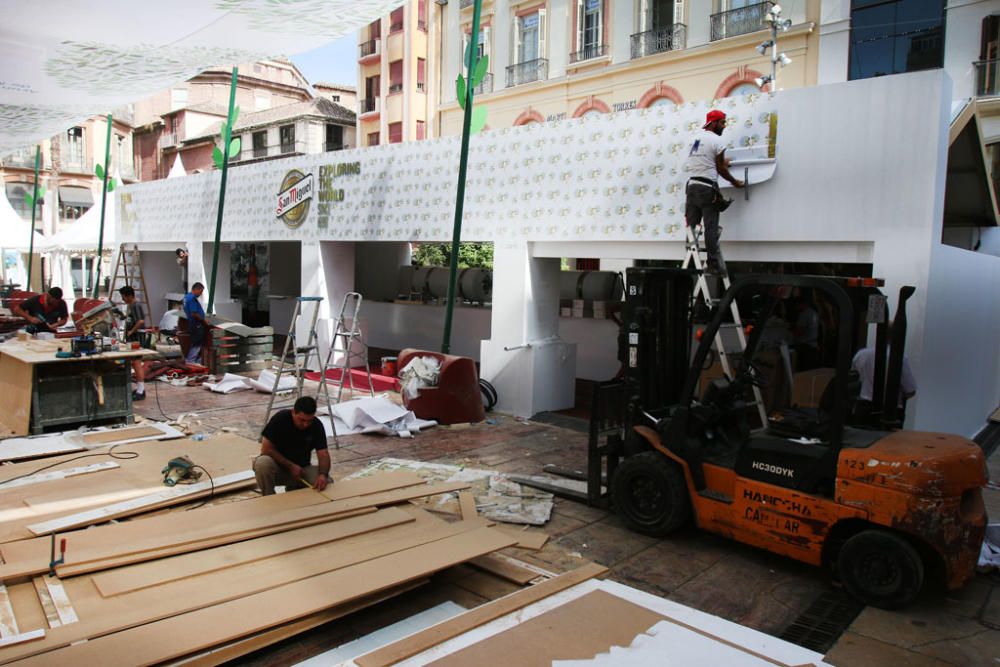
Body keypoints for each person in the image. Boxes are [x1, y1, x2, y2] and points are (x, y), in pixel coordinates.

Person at [685, 109, 745, 274]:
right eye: (722, 122)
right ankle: (712, 265)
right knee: (710, 227)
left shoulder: (696, 140)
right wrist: (735, 181)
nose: (724, 126)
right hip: (707, 189)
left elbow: (702, 158)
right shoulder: (717, 140)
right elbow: (719, 168)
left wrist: (721, 162)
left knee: (692, 228)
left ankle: (690, 264)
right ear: (713, 122)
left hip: (692, 187)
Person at [254, 396, 331, 495]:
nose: (306, 424)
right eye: (302, 420)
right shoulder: (280, 419)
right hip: (278, 468)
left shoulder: (316, 425)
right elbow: (266, 449)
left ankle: (294, 489)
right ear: (293, 412)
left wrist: (323, 475)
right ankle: (268, 497)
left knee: (327, 482)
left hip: (302, 470)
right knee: (262, 463)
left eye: (309, 420)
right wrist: (290, 466)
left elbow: (323, 454)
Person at [851, 337, 917, 424]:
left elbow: (853, 379)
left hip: (864, 407)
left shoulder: (861, 354)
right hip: (890, 410)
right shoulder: (900, 358)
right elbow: (910, 390)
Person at [118, 286, 147, 401]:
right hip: (132, 337)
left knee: (137, 362)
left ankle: (141, 390)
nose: (123, 299)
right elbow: (131, 319)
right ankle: (139, 388)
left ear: (129, 296)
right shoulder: (130, 306)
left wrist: (131, 331)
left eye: (124, 297)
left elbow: (140, 321)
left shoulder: (136, 305)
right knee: (133, 362)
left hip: (137, 337)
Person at [792, 298, 821, 371]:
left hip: (805, 346)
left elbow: (800, 331)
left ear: (801, 304)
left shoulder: (804, 315)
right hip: (814, 345)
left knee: (803, 370)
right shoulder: (814, 313)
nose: (796, 307)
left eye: (797, 305)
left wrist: (791, 332)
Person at [183, 282, 206, 364]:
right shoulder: (192, 298)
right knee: (197, 343)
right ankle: (190, 360)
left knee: (195, 342)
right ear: (196, 289)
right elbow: (194, 313)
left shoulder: (186, 297)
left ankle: (194, 360)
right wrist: (204, 320)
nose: (201, 293)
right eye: (201, 291)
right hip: (196, 324)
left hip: (192, 323)